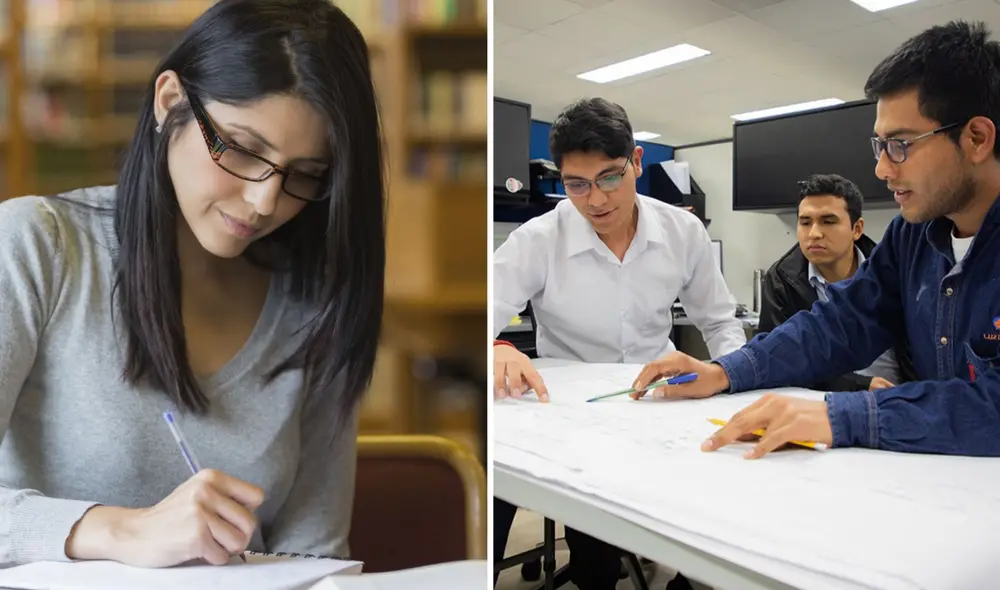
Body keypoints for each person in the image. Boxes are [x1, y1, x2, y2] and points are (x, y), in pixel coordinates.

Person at [0, 0, 384, 567]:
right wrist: (120, 532)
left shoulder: (315, 300)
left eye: (305, 175)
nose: (264, 201)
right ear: (170, 101)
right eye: (243, 149)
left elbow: (314, 557)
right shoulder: (37, 246)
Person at [630, 20, 1000, 460]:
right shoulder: (914, 235)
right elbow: (838, 325)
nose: (883, 169)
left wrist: (841, 414)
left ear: (976, 138)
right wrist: (723, 371)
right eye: (878, 146)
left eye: (901, 145)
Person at [493, 98, 745, 590]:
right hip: (569, 414)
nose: (596, 200)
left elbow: (719, 321)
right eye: (576, 185)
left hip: (656, 405)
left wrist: (730, 373)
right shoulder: (538, 238)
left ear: (636, 162)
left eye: (609, 177)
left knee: (718, 508)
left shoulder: (682, 231)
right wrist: (497, 345)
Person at [759, 173, 913, 391]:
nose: (814, 233)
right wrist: (858, 385)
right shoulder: (782, 280)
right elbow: (779, 363)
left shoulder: (891, 271)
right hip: (824, 402)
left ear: (857, 229)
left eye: (828, 221)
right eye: (805, 222)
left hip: (902, 399)